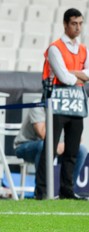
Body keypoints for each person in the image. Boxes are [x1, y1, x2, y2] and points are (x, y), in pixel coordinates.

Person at [36, 8, 89, 200]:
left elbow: (76, 74)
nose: (78, 27)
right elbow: (64, 78)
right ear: (65, 24)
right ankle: (41, 191)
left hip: (76, 104)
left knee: (73, 149)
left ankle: (67, 189)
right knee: (49, 148)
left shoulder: (83, 48)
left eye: (80, 23)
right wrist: (78, 74)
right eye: (74, 23)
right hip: (56, 104)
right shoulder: (54, 48)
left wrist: (71, 72)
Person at [14, 99, 88, 186]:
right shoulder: (39, 104)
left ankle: (68, 189)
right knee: (44, 146)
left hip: (56, 146)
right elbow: (42, 133)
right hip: (26, 145)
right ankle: (42, 190)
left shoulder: (67, 106)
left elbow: (77, 138)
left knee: (81, 150)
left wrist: (62, 146)